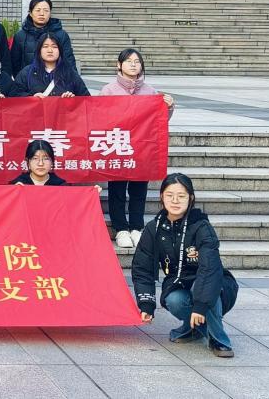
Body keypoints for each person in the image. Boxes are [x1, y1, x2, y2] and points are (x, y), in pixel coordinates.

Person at [132, 173, 237, 358]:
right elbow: (142, 268)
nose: (175, 201)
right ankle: (194, 328)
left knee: (201, 289)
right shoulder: (154, 228)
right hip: (178, 282)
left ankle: (219, 340)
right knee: (174, 299)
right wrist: (146, 304)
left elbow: (210, 269)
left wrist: (200, 306)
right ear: (161, 197)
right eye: (169, 195)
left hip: (216, 285)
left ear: (191, 198)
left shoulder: (201, 226)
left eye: (181, 196)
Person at [100, 48, 176, 250]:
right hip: (118, 146)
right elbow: (100, 117)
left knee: (139, 190)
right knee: (117, 190)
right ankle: (120, 228)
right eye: (129, 61)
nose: (133, 65)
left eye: (137, 61)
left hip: (142, 148)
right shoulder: (109, 90)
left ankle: (136, 227)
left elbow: (159, 121)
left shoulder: (150, 92)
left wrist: (168, 107)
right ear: (119, 65)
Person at [9, 0, 78, 75]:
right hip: (28, 80)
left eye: (46, 11)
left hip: (56, 79)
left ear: (50, 13)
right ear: (30, 13)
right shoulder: (20, 36)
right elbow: (15, 64)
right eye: (38, 10)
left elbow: (69, 61)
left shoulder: (61, 35)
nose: (42, 14)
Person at [15, 33, 90, 97]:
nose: (50, 50)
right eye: (45, 46)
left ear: (60, 50)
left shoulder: (70, 73)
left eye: (54, 47)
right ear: (39, 50)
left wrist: (72, 100)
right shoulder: (27, 72)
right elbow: (15, 95)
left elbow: (86, 99)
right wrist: (31, 97)